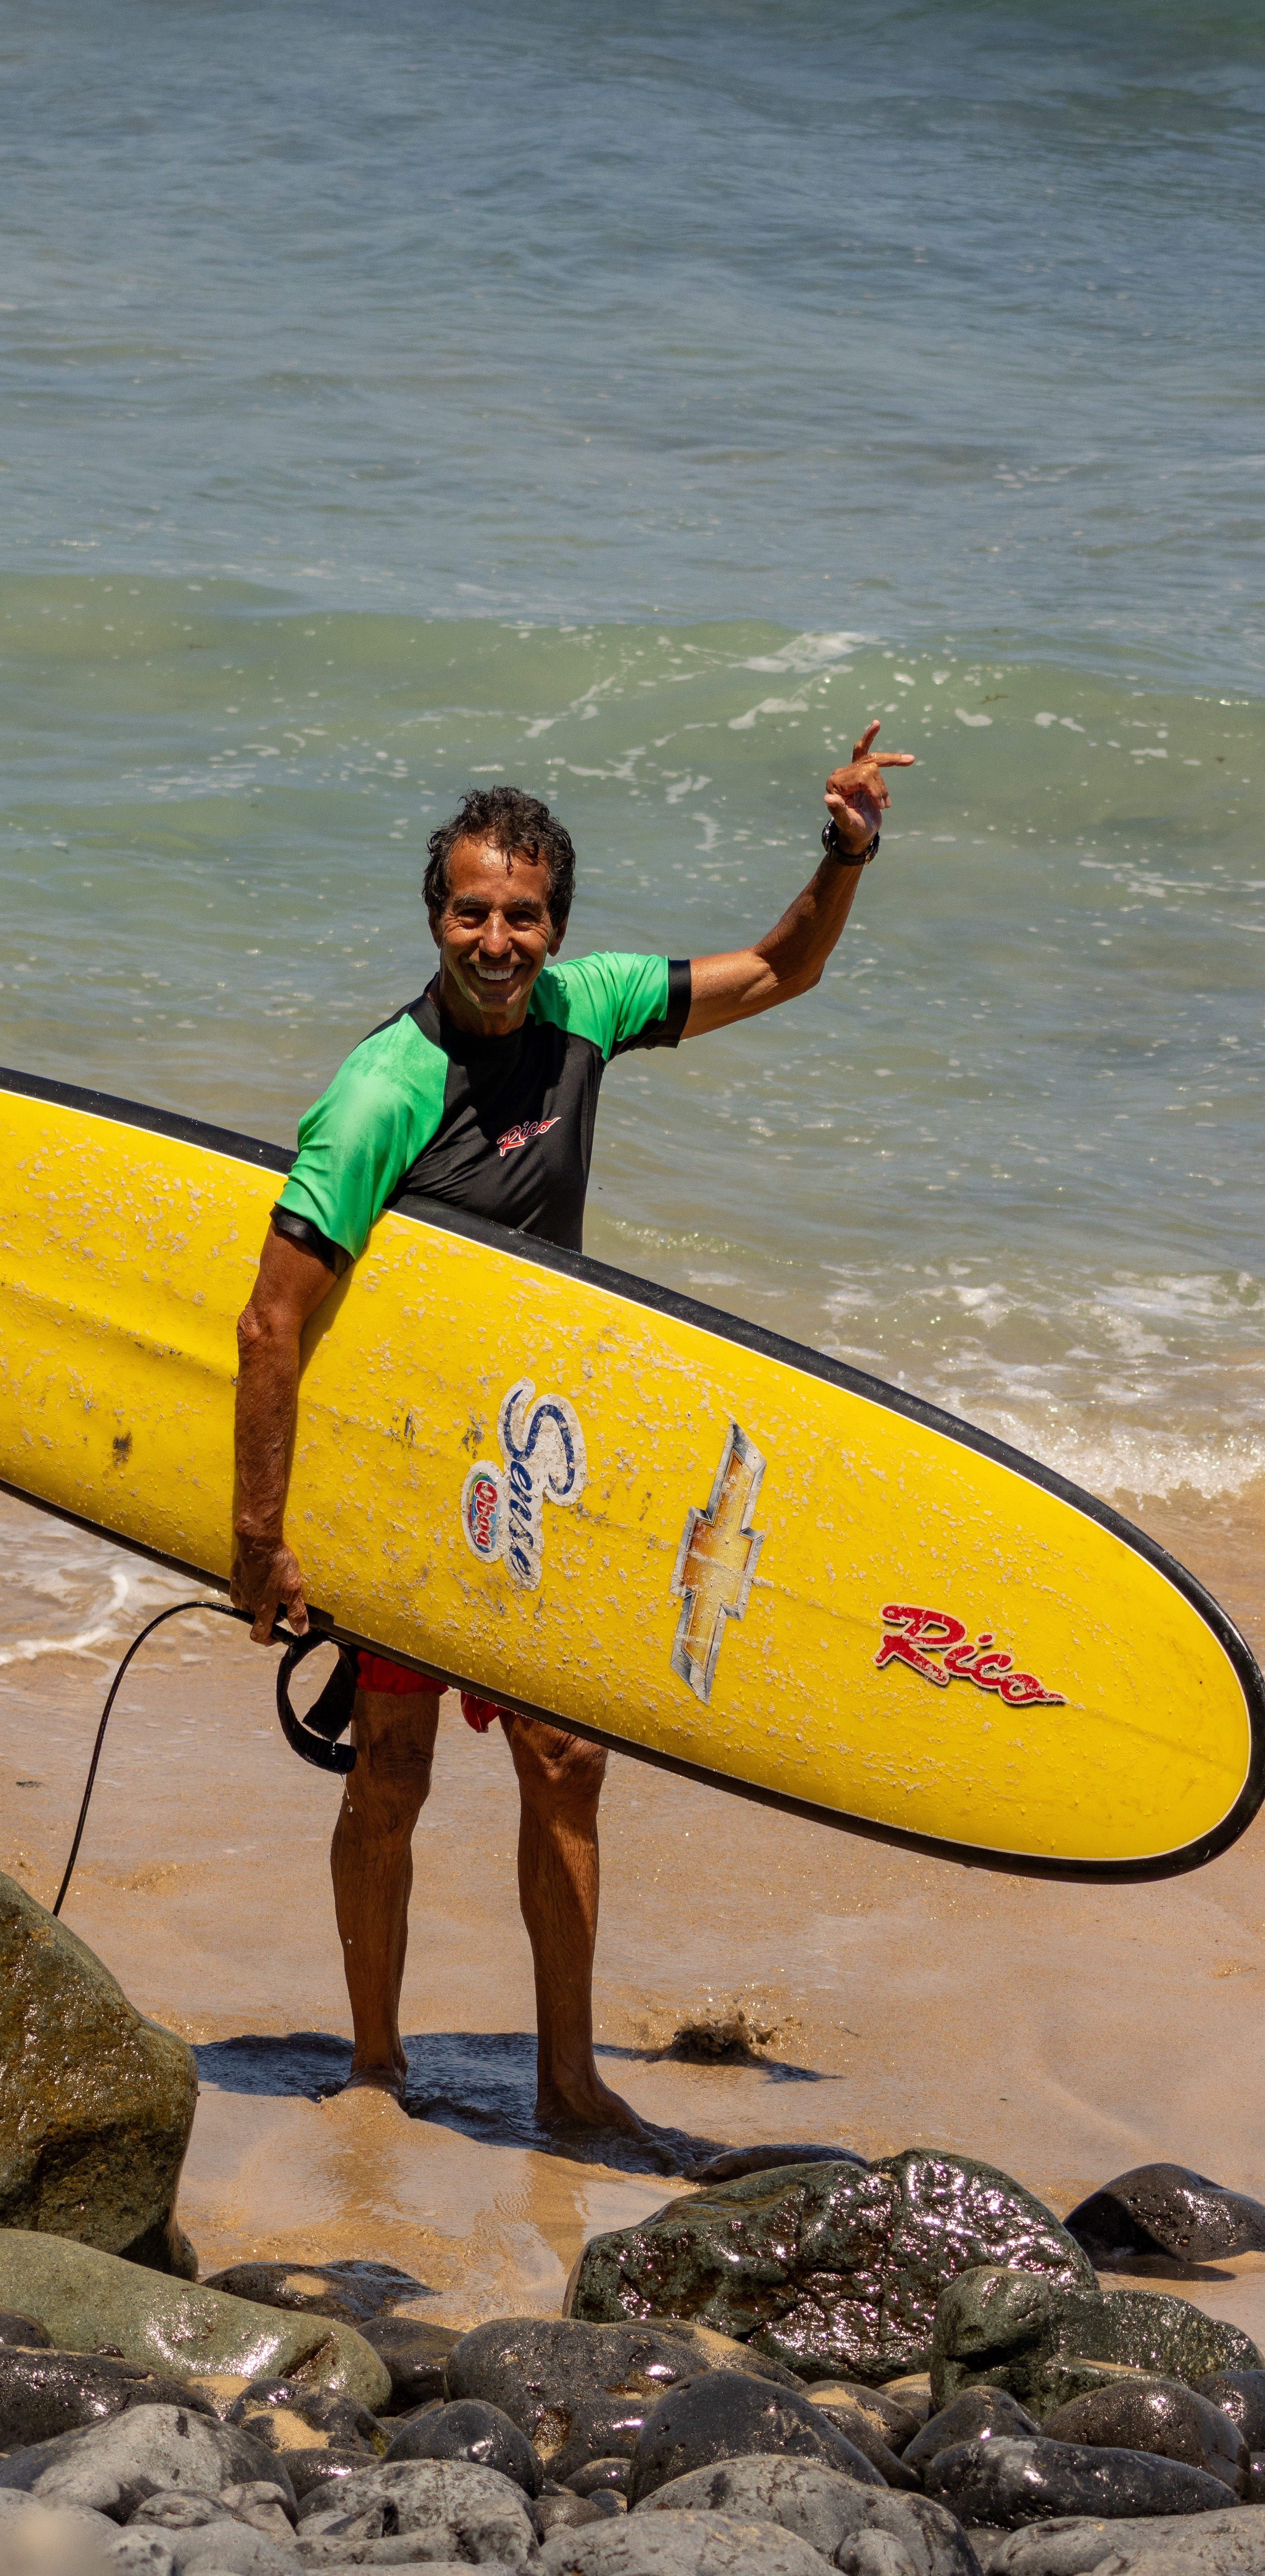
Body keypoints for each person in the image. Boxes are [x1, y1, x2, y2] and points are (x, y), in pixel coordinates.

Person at [231, 723, 912, 2143]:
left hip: (547, 1458)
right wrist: (261, 1532)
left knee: (567, 1757)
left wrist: (845, 852)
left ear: (556, 926)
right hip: (411, 1464)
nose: (497, 941)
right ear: (435, 915)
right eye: (472, 912)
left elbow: (781, 969)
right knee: (394, 1767)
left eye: (524, 917)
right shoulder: (383, 1090)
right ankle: (376, 2062)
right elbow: (273, 1321)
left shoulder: (588, 1010)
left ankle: (568, 2081)